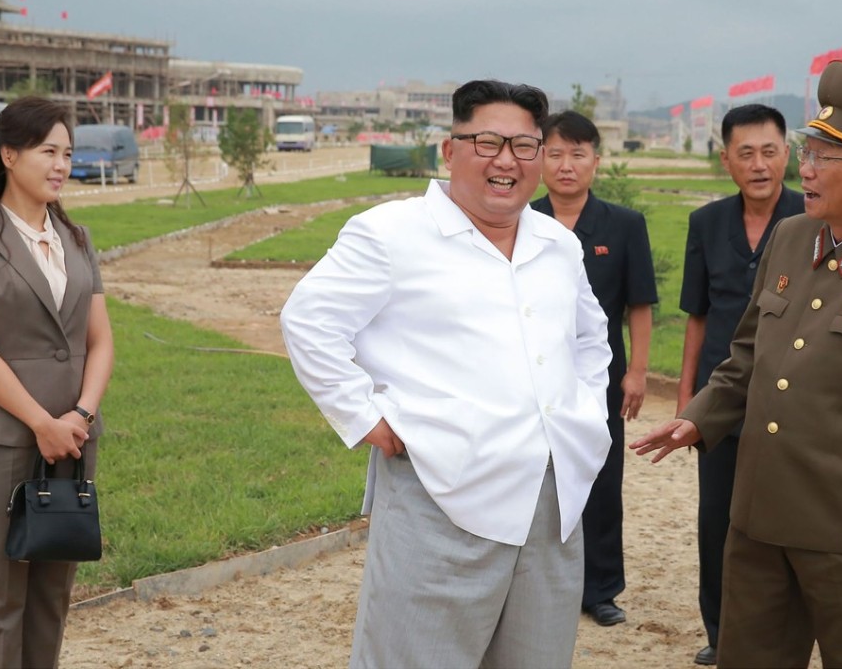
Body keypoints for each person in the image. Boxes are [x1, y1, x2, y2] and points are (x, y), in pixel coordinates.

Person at [631, 59, 842, 668]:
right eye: (806, 153)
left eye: (820, 159)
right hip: (757, 516)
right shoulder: (790, 238)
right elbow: (748, 355)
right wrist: (699, 417)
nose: (803, 170)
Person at [281, 80, 612, 669]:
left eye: (524, 145)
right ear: (449, 149)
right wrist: (366, 419)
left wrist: (582, 414)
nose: (506, 160)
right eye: (487, 142)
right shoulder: (392, 233)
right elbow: (309, 321)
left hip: (550, 501)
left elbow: (591, 340)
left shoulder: (557, 244)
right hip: (440, 497)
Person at [0, 96, 114, 667]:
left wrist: (79, 416)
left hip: (73, 443)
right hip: (1, 442)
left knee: (52, 596)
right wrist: (40, 422)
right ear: (9, 154)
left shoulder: (76, 239)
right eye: (48, 151)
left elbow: (100, 340)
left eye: (69, 153)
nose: (62, 165)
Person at [676, 104, 804, 666]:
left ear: (788, 155)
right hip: (721, 398)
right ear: (726, 160)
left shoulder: (813, 218)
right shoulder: (705, 225)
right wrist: (688, 396)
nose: (758, 164)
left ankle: (781, 632)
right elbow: (697, 316)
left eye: (769, 151)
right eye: (745, 153)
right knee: (717, 519)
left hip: (793, 398)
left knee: (786, 518)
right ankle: (721, 631)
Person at [530, 110, 657, 627]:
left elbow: (640, 306)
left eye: (577, 154)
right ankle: (537, 585)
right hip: (535, 375)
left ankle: (600, 588)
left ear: (595, 163)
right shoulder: (521, 219)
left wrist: (639, 372)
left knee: (602, 479)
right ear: (540, 159)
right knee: (537, 477)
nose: (566, 165)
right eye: (555, 153)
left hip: (601, 378)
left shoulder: (624, 226)